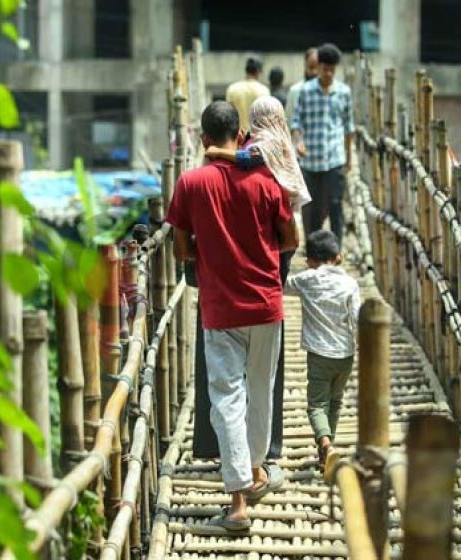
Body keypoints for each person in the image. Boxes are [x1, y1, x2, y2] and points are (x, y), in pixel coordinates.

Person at [165, 101, 298, 531]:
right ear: (240, 137)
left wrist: (206, 253)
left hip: (221, 307)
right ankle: (256, 472)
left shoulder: (190, 182)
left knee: (226, 400)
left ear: (204, 140)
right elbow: (290, 237)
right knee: (261, 391)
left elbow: (181, 246)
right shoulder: (266, 179)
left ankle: (238, 501)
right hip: (266, 303)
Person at [285, 230, 360, 468]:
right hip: (345, 354)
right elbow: (357, 318)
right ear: (339, 257)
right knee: (335, 402)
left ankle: (326, 446)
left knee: (317, 405)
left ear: (309, 261)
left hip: (319, 354)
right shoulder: (350, 283)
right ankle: (326, 455)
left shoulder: (307, 279)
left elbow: (281, 285)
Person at [291, 43, 354, 241]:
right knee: (312, 211)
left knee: (336, 206)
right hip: (310, 162)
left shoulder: (344, 92)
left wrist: (349, 157)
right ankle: (313, 252)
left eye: (332, 70)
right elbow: (295, 122)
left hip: (334, 160)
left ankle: (336, 253)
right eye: (324, 69)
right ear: (318, 68)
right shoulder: (306, 91)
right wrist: (298, 142)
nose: (328, 74)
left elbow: (348, 127)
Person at [205, 96, 312, 210]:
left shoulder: (272, 140)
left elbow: (249, 157)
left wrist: (219, 151)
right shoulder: (262, 138)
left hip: (272, 203)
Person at [226, 56, 270, 134]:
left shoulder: (232, 89)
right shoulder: (264, 91)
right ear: (258, 72)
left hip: (237, 137)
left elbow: (228, 116)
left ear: (246, 70)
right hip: (256, 138)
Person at [286, 47, 319, 121]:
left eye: (318, 67)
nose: (314, 72)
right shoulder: (295, 91)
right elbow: (288, 121)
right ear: (305, 66)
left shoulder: (331, 93)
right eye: (311, 67)